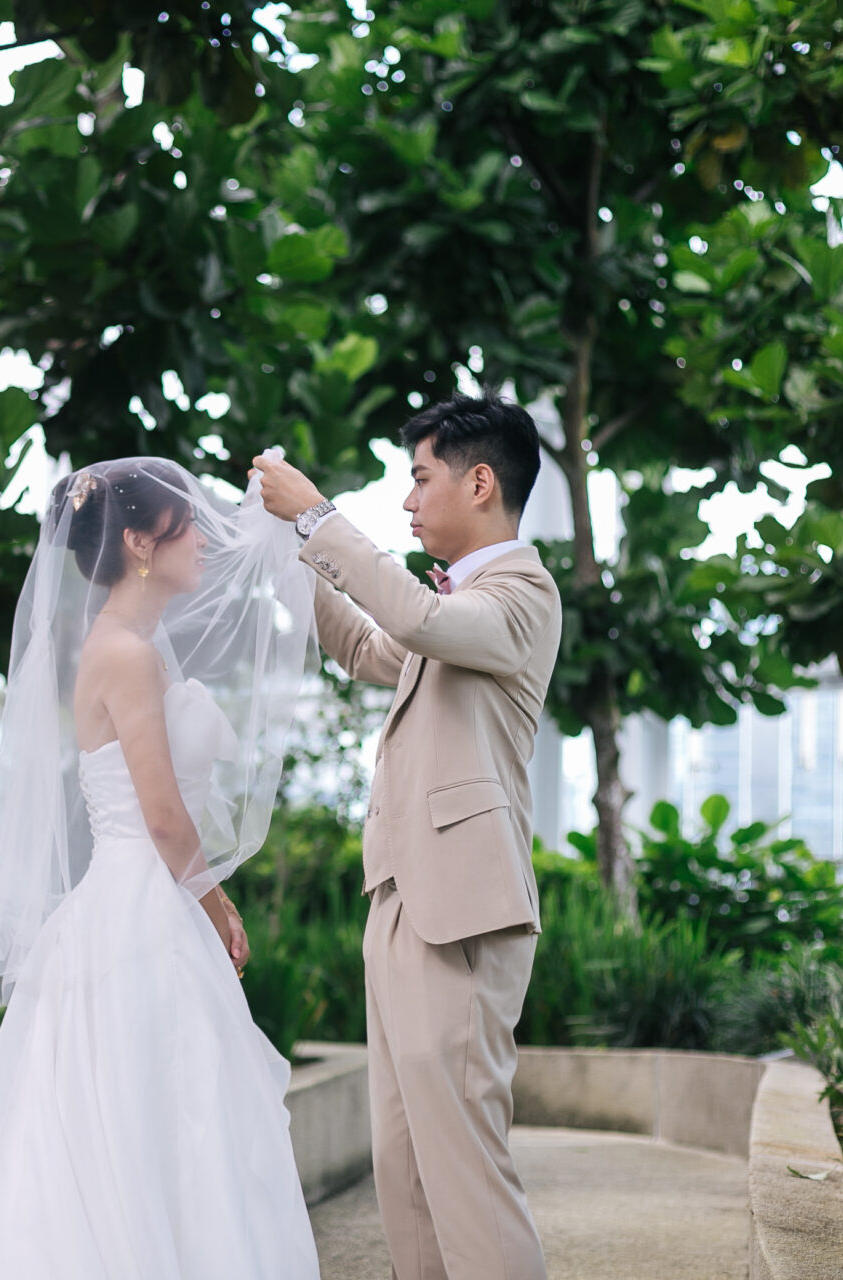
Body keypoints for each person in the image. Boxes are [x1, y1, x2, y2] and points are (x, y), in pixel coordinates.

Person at [0, 456, 321, 1280]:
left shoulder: (132, 647)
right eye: (188, 526)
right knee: (150, 1121)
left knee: (151, 1121)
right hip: (141, 916)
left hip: (141, 905)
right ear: (140, 544)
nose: (205, 540)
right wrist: (218, 904)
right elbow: (162, 816)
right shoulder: (126, 654)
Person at [253, 396, 562, 1280]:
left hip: (462, 912)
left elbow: (417, 621)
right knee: (407, 1168)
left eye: (421, 479)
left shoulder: (521, 595)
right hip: (399, 899)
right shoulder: (450, 608)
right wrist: (294, 551)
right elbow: (365, 647)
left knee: (465, 1172)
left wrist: (317, 516)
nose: (408, 500)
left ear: (480, 482)